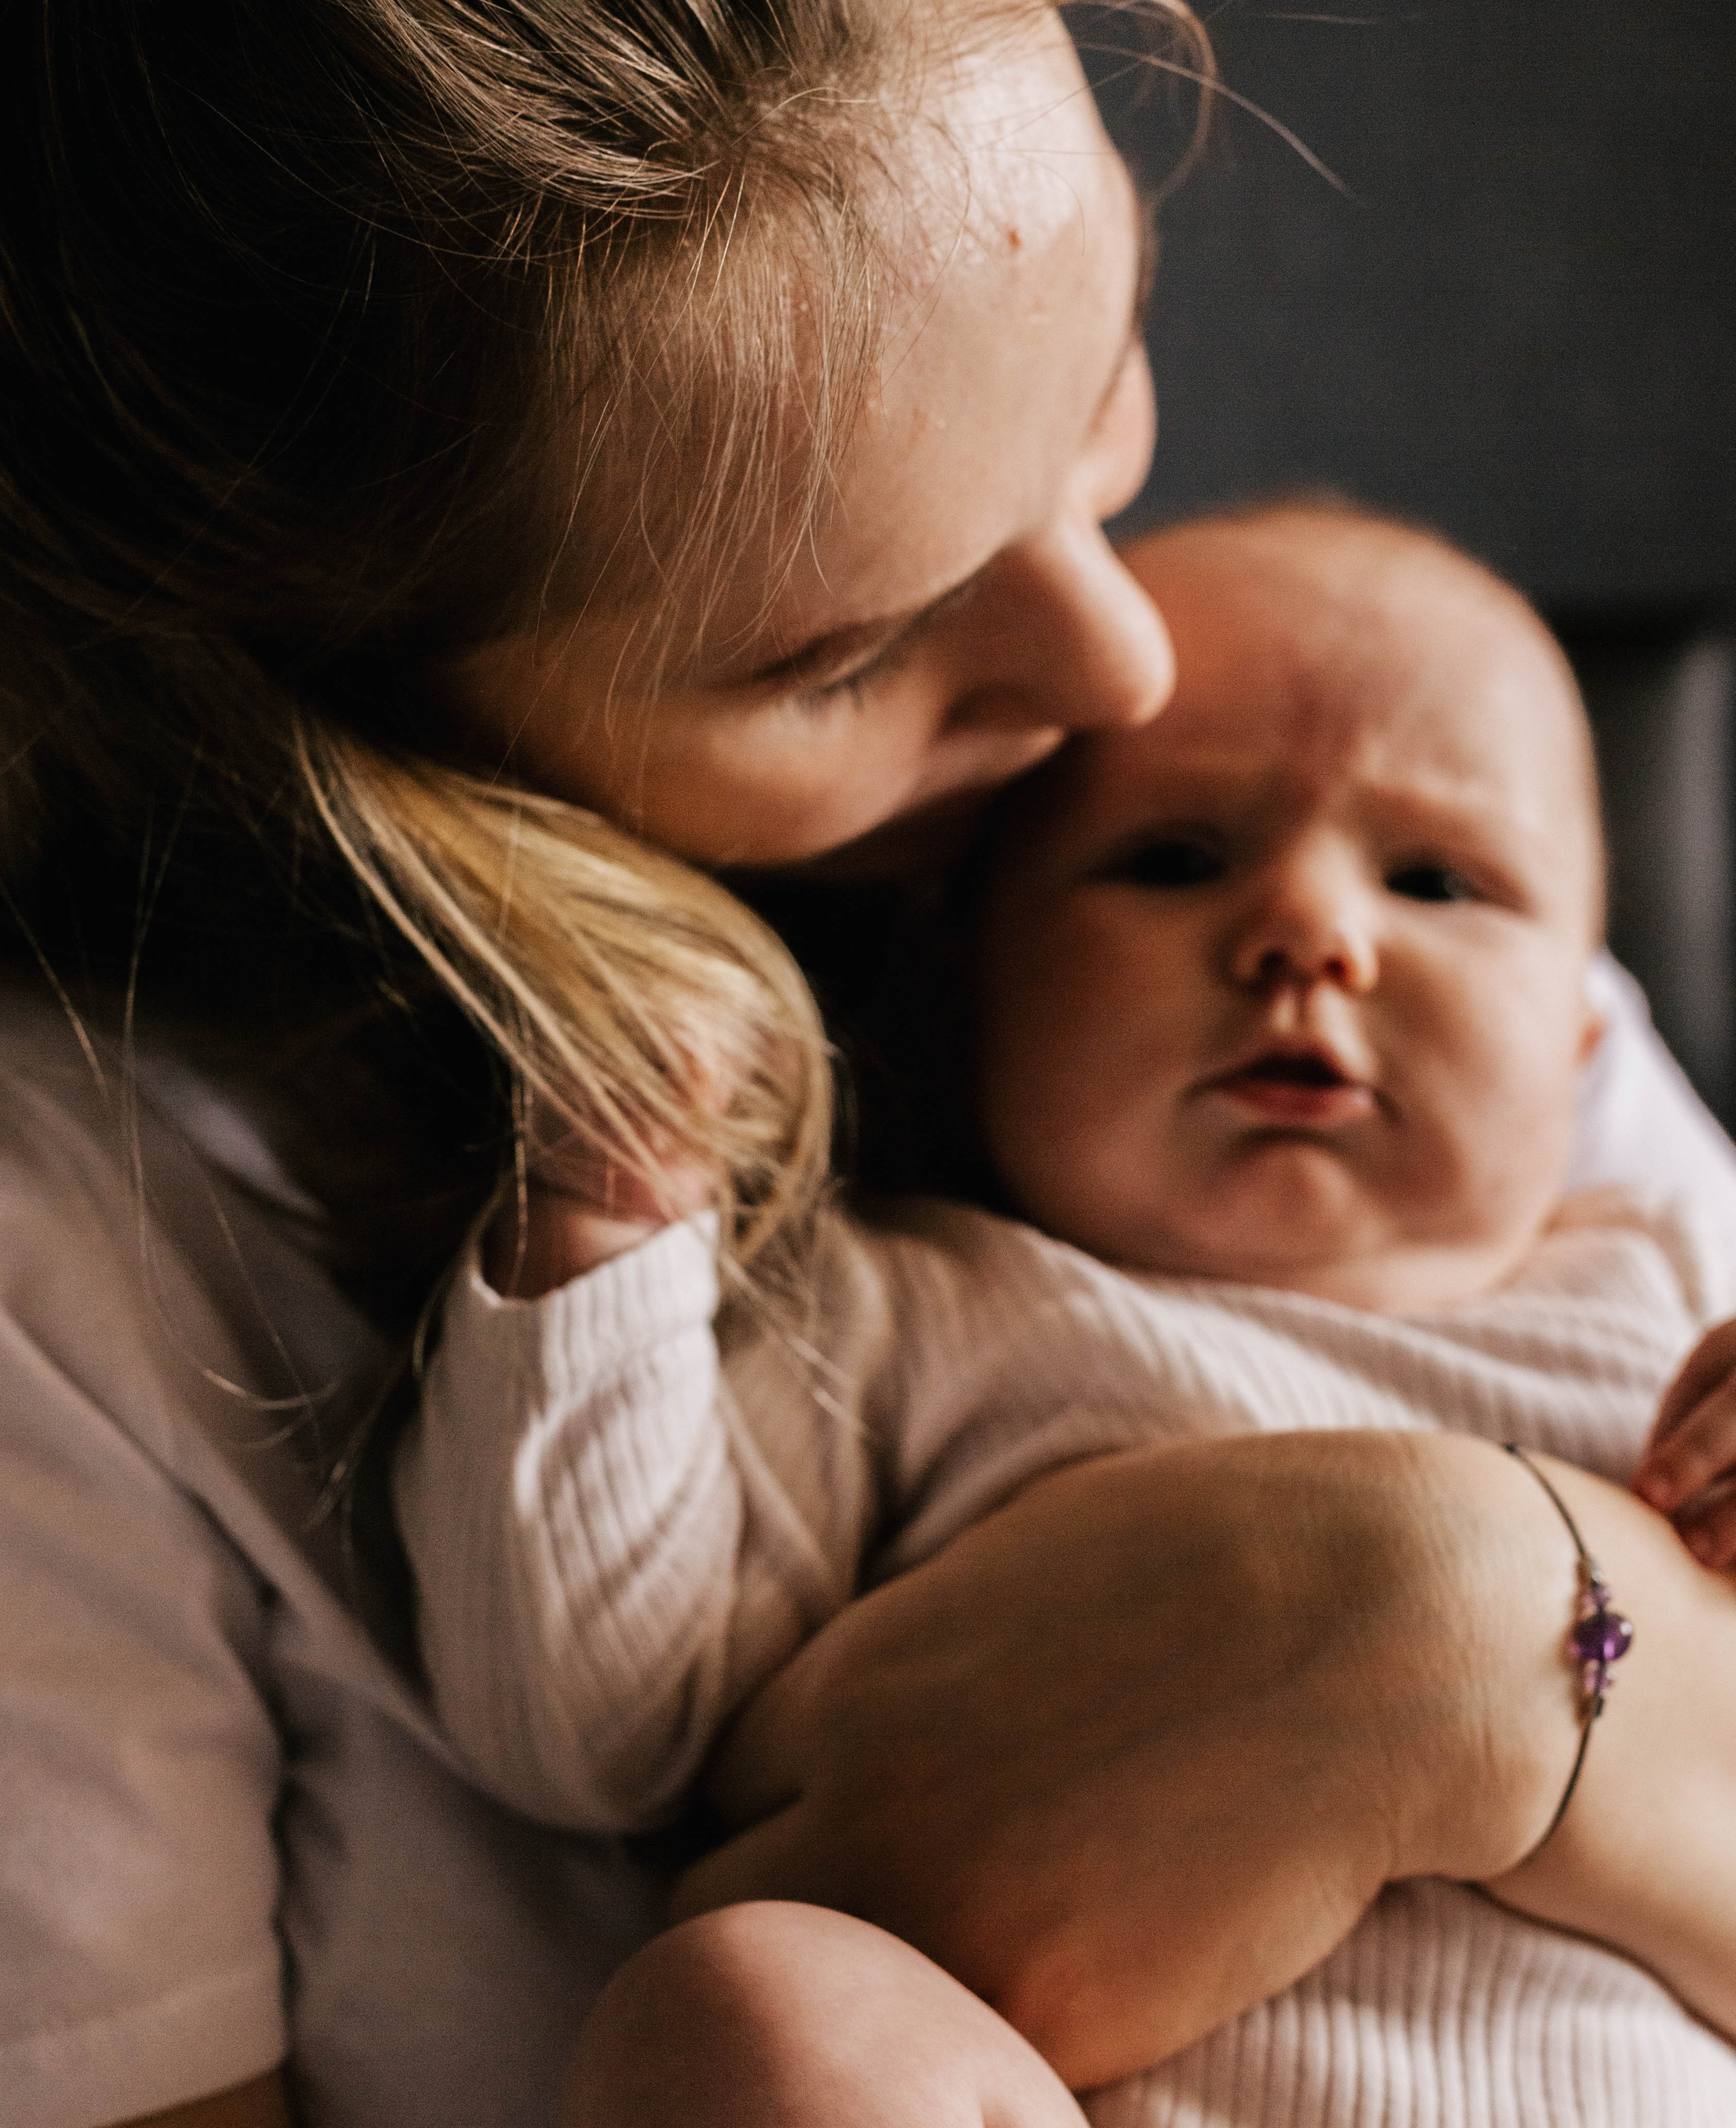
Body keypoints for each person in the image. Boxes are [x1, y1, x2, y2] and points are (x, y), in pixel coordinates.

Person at [3, 0, 1736, 2127]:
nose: (1122, 676)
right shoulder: (91, 1263)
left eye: (1108, 379)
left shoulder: (1376, 887)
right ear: (345, 715)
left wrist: (1489, 1623)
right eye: (839, 650)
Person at [394, 503, 1736, 2124]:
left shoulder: (1665, 1297)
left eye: (1437, 879)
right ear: (977, 988)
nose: (1308, 935)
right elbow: (593, 1726)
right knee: (751, 2006)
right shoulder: (904, 1311)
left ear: (1586, 1044)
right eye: (1172, 859)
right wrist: (605, 1239)